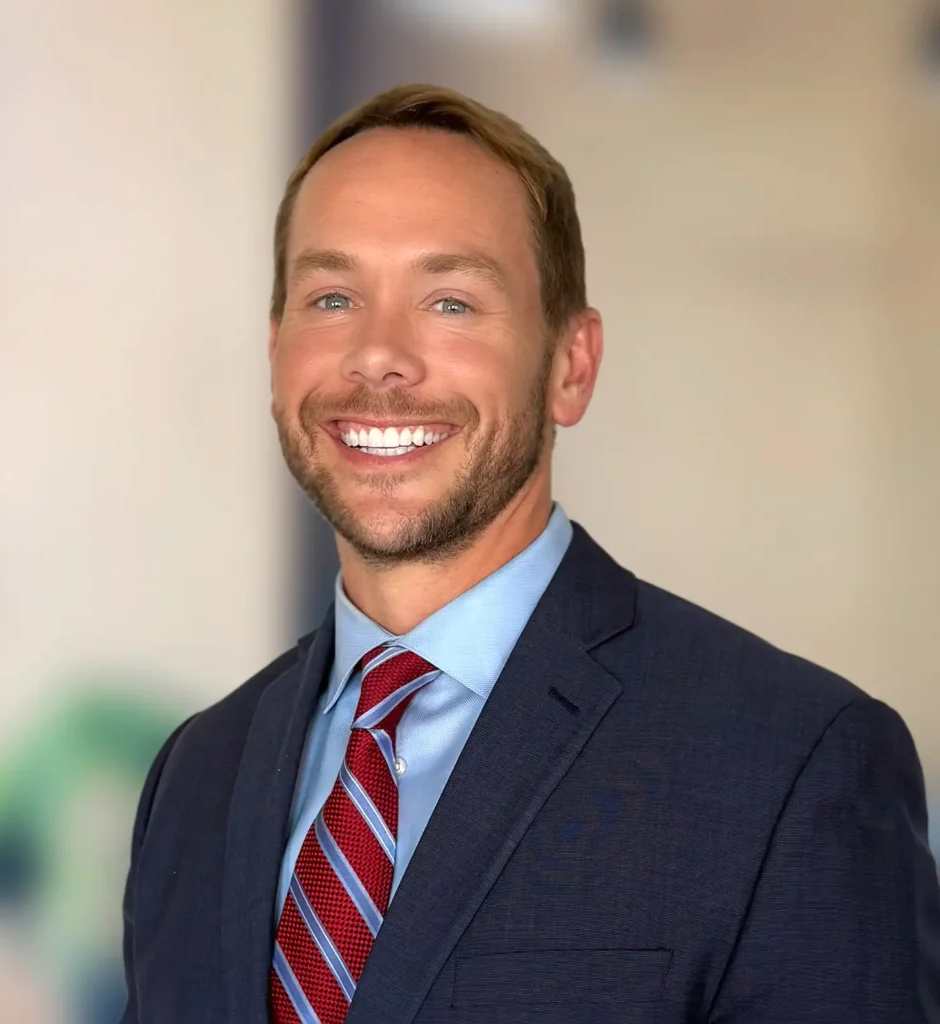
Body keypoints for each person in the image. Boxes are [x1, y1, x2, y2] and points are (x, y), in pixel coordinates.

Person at [119, 84, 940, 1024]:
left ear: (570, 367)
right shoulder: (195, 776)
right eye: (333, 296)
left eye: (452, 301)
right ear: (275, 356)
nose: (379, 355)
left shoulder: (795, 766)